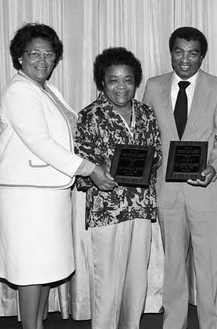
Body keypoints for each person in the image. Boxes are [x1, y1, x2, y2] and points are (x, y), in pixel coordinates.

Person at [0, 23, 116, 329]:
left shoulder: (47, 89)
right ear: (19, 57)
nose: (42, 60)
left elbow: (71, 134)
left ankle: (37, 325)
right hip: (28, 197)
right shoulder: (19, 91)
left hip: (50, 194)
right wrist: (90, 169)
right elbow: (41, 143)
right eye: (34, 53)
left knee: (45, 268)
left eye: (49, 55)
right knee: (31, 270)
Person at [142, 26, 217, 329]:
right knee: (173, 268)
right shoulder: (153, 87)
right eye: (179, 51)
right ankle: (174, 324)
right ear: (171, 53)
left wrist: (213, 167)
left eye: (193, 52)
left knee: (209, 270)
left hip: (206, 192)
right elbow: (146, 138)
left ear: (202, 56)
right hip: (167, 193)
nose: (185, 59)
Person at [74, 47, 162, 329]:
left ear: (136, 81)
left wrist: (149, 163)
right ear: (102, 82)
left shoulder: (146, 113)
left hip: (140, 208)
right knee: (107, 285)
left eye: (128, 79)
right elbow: (80, 164)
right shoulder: (89, 115)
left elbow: (156, 154)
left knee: (137, 281)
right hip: (107, 210)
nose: (121, 87)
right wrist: (96, 175)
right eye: (113, 80)